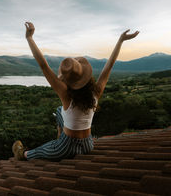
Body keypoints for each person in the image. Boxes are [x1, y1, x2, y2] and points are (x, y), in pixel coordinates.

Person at [12, 22, 139, 161]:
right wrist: (120, 41)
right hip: (87, 144)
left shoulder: (66, 95)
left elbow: (43, 65)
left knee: (43, 150)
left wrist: (29, 38)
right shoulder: (95, 92)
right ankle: (60, 135)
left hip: (67, 147)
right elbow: (109, 66)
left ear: (67, 80)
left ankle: (23, 154)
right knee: (60, 111)